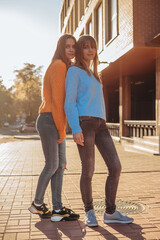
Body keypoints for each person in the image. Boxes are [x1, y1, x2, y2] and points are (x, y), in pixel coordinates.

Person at [64, 35, 133, 227]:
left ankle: (110, 212)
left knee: (115, 166)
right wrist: (75, 129)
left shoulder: (95, 74)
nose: (90, 51)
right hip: (84, 124)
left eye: (92, 47)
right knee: (88, 170)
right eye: (85, 47)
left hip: (101, 125)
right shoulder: (74, 71)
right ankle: (89, 212)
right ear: (79, 51)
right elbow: (69, 102)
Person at [28, 34, 79, 222]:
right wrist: (61, 130)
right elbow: (58, 101)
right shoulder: (58, 65)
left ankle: (57, 208)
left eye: (73, 46)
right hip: (50, 120)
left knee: (60, 166)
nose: (71, 49)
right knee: (52, 165)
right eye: (67, 46)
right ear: (61, 48)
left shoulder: (65, 66)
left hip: (53, 120)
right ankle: (37, 203)